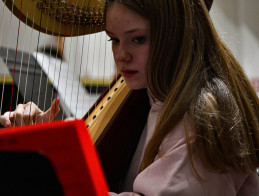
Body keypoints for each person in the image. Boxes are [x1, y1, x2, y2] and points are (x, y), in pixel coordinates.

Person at [1, 0, 259, 195]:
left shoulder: (202, 119)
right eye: (114, 40)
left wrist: (53, 174)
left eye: (137, 39)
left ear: (176, 36)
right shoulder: (161, 95)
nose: (121, 55)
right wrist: (45, 146)